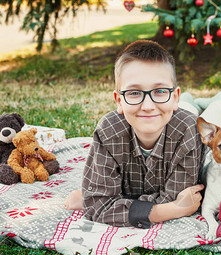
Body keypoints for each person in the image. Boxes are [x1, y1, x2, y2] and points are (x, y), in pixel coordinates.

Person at [65, 40, 205, 228]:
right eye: (133, 93)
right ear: (118, 101)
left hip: (185, 115)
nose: (147, 106)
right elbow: (98, 205)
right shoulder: (108, 130)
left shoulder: (188, 129)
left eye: (161, 91)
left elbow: (99, 204)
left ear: (174, 97)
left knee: (215, 113)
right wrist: (174, 209)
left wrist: (114, 201)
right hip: (168, 112)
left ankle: (208, 103)